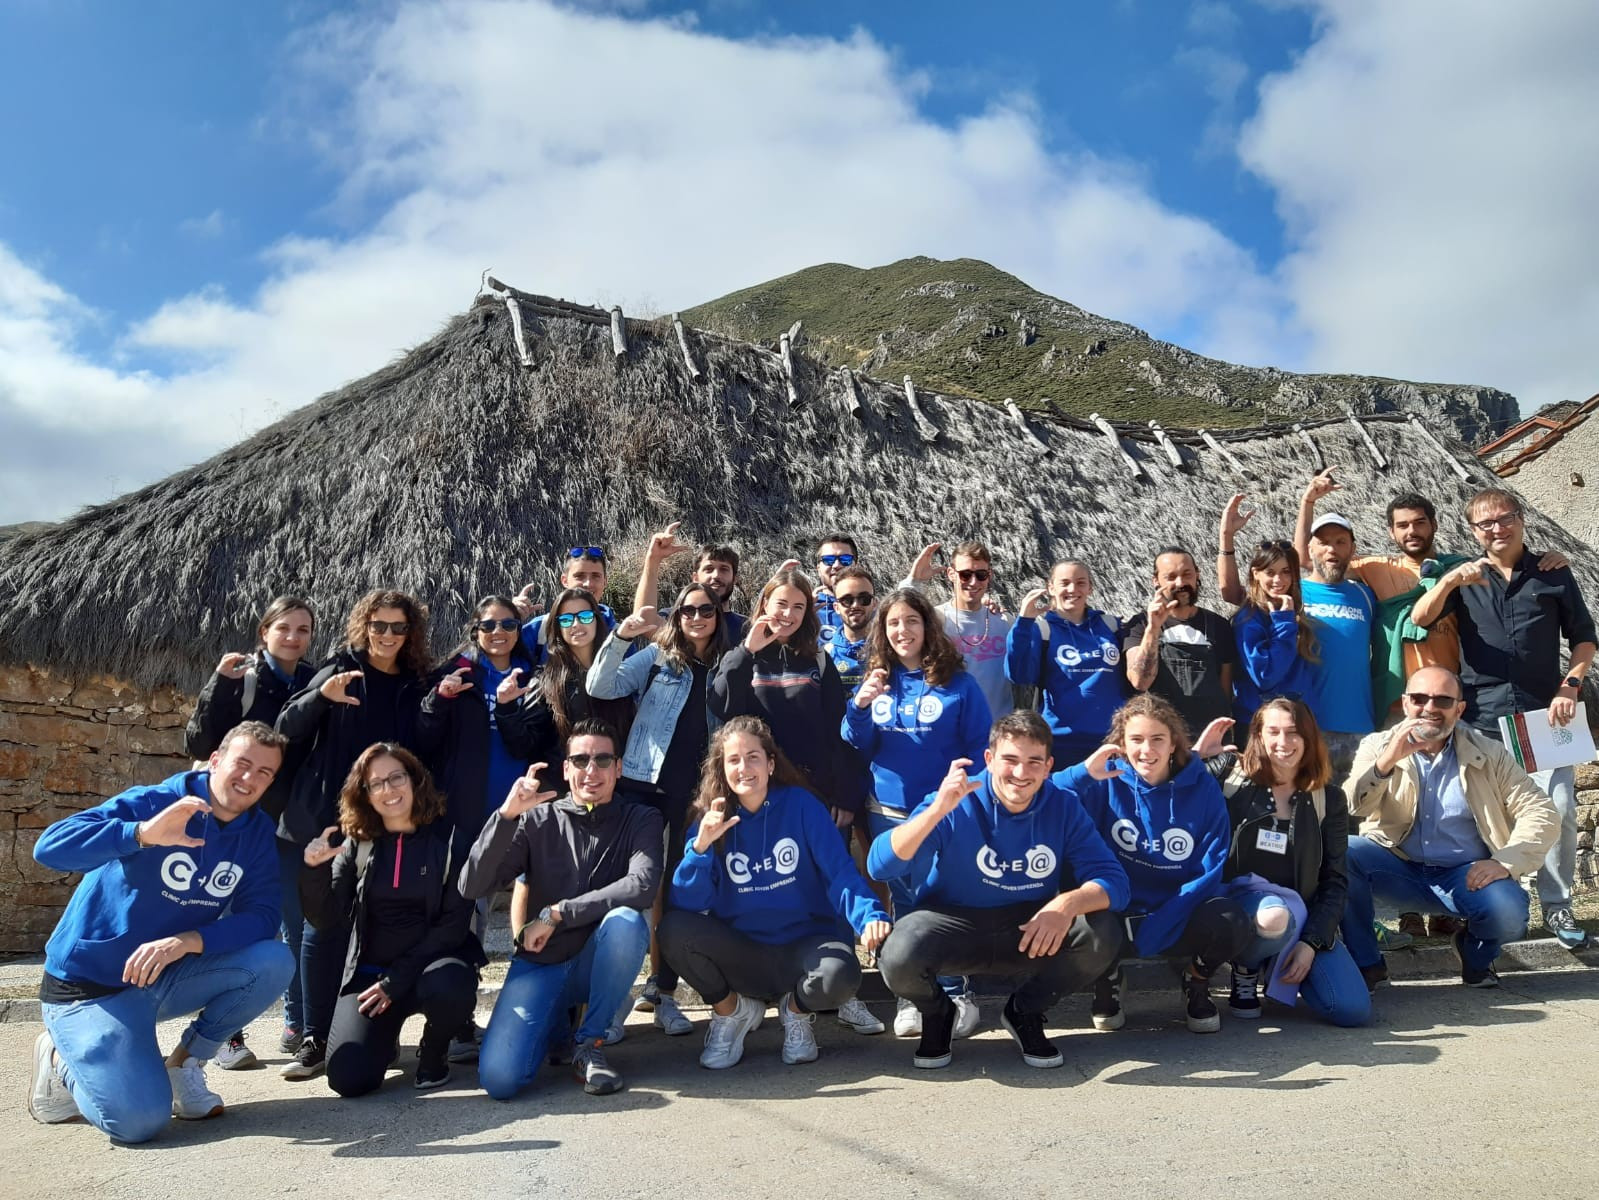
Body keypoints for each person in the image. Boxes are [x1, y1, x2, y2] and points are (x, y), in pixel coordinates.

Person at [29, 722, 296, 1143]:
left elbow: (263, 915)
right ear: (215, 761)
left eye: (264, 772)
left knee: (274, 961)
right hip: (89, 987)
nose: (250, 778)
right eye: (242, 764)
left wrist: (190, 941)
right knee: (138, 1124)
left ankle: (184, 1066)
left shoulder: (257, 832)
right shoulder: (157, 803)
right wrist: (141, 834)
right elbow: (49, 847)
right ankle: (60, 1056)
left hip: (163, 974)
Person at [869, 710, 1128, 1070]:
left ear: (1048, 765)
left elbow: (1114, 882)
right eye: (1010, 760)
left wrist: (1067, 904)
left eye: (1033, 762)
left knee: (1101, 930)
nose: (1021, 774)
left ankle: (1026, 1011)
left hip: (1026, 928)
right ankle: (939, 1013)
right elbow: (880, 867)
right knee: (897, 953)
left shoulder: (1063, 805)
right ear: (989, 759)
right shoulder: (955, 801)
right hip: (953, 925)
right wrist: (935, 812)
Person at [1409, 490, 1595, 951]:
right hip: (1483, 717)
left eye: (1504, 519)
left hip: (1546, 712)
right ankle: (1488, 906)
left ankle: (1557, 906)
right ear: (1473, 531)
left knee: (1562, 812)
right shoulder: (1467, 579)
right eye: (1485, 524)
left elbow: (1585, 640)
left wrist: (1570, 685)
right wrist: (1450, 581)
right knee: (1478, 818)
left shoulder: (1553, 572)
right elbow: (1419, 617)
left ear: (1520, 518)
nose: (1497, 529)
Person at [660, 717, 893, 1069]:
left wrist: (870, 915)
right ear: (722, 769)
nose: (744, 768)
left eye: (753, 757)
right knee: (673, 931)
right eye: (734, 760)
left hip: (802, 949)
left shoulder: (801, 806)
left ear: (770, 763)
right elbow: (689, 904)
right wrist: (701, 848)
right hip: (743, 952)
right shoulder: (709, 819)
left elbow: (840, 873)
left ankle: (795, 1012)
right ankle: (732, 1011)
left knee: (842, 975)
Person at [460, 720, 663, 1099]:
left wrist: (556, 913)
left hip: (597, 961)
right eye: (581, 759)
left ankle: (589, 1046)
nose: (592, 770)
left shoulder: (641, 819)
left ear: (619, 768)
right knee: (501, 1080)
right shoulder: (537, 819)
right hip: (541, 962)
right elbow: (471, 885)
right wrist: (504, 818)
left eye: (603, 760)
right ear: (566, 767)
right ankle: (556, 1025)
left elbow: (642, 885)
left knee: (625, 923)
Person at [276, 589, 432, 1081]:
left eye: (398, 628)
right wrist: (322, 697)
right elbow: (285, 725)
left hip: (379, 823)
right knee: (319, 929)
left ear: (410, 634)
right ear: (364, 625)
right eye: (379, 625)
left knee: (370, 928)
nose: (387, 635)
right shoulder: (340, 666)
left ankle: (372, 1034)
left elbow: (422, 746)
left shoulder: (412, 683)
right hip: (322, 820)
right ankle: (313, 1035)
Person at [1340, 667, 1559, 989]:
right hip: (1397, 866)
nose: (1429, 708)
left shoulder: (1489, 753)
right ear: (1404, 703)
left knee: (1510, 914)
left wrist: (1506, 861)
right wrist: (1386, 763)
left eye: (1442, 700)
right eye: (1419, 699)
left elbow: (1541, 810)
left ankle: (1473, 954)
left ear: (1459, 709)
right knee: (1343, 853)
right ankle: (1367, 965)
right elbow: (1353, 806)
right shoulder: (1378, 746)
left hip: (1466, 875)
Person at [587, 581, 733, 1038]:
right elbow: (602, 684)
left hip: (696, 797)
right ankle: (612, 1002)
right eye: (686, 610)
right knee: (631, 890)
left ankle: (664, 994)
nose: (695, 617)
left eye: (705, 609)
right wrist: (622, 636)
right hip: (643, 787)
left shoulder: (729, 663)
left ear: (718, 613)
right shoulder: (656, 658)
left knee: (674, 894)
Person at [843, 586, 991, 1038]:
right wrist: (862, 705)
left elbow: (980, 749)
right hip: (886, 812)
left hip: (944, 813)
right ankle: (915, 996)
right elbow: (856, 741)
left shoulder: (959, 684)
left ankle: (956, 990)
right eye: (893, 624)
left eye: (911, 621)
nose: (902, 631)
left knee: (944, 899)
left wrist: (964, 801)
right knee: (904, 902)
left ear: (928, 626)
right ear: (882, 633)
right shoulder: (877, 679)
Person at [1054, 694, 1249, 1034]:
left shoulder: (1202, 786)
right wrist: (1083, 772)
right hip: (1119, 906)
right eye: (1137, 740)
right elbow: (1041, 797)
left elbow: (1211, 863)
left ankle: (1196, 981)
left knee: (1231, 921)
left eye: (1158, 739)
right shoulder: (1105, 780)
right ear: (1122, 744)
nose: (1147, 750)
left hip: (1177, 909)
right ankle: (1108, 980)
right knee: (1087, 923)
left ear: (1174, 742)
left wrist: (1165, 918)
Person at [300, 744, 485, 1096]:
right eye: (376, 783)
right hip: (372, 978)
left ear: (415, 780)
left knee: (452, 986)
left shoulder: (451, 841)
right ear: (364, 794)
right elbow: (326, 918)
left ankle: (434, 1051)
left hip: (432, 969)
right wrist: (314, 872)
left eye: (396, 777)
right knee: (349, 1080)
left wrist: (396, 981)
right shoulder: (357, 845)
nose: (389, 789)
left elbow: (452, 927)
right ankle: (382, 1040)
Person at [182, 595, 317, 1069]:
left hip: (285, 826)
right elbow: (199, 742)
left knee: (296, 922)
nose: (294, 638)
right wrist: (221, 685)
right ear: (265, 632)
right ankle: (227, 1035)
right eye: (285, 628)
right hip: (232, 822)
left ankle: (297, 1022)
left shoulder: (311, 681)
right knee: (230, 920)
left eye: (303, 630)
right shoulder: (241, 675)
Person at [1207, 699, 1370, 1026]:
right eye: (1274, 732)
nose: (1283, 743)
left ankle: (1274, 960)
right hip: (1236, 907)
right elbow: (1162, 779)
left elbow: (1335, 881)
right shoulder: (1228, 773)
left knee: (1351, 1009)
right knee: (1273, 916)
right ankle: (1247, 966)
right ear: (1259, 735)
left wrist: (1312, 942)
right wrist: (1196, 757)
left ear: (1309, 737)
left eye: (1294, 732)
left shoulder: (1329, 798)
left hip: (1300, 917)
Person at [709, 569, 857, 830]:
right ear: (765, 603)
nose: (789, 614)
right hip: (757, 791)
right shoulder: (742, 655)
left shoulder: (818, 659)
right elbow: (721, 705)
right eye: (782, 604)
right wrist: (747, 650)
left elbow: (839, 729)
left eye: (798, 607)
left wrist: (846, 794)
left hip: (814, 791)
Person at [417, 596, 537, 856]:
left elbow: (528, 745)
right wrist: (441, 699)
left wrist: (507, 708)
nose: (498, 632)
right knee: (458, 888)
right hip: (461, 807)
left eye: (507, 624)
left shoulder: (532, 677)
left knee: (496, 890)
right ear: (475, 631)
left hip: (515, 803)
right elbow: (425, 738)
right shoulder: (455, 673)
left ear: (519, 629)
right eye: (488, 625)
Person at [498, 587, 635, 786]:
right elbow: (522, 746)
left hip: (614, 795)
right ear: (558, 628)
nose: (576, 624)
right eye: (566, 619)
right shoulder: (546, 679)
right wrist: (506, 708)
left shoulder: (622, 673)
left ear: (597, 620)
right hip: (563, 798)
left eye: (585, 616)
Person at [1006, 559, 1124, 765]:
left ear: (1090, 587)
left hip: (1111, 740)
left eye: (1080, 582)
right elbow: (1018, 674)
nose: (1073, 589)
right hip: (1060, 742)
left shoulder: (1110, 626)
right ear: (1050, 587)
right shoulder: (1041, 629)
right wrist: (1023, 622)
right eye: (1065, 583)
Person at [1122, 547, 1236, 738]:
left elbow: (1226, 694)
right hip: (1161, 741)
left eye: (1186, 574)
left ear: (1197, 574)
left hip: (1210, 739)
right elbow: (1140, 681)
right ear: (1156, 581)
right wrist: (1153, 629)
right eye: (1171, 577)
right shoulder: (1139, 625)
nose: (1180, 582)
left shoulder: (1219, 625)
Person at [1296, 512, 1377, 777]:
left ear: (1353, 549)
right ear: (1310, 548)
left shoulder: (1366, 596)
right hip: (1309, 729)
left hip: (1361, 729)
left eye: (1341, 541)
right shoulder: (1293, 593)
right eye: (1324, 542)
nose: (1332, 549)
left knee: (1360, 814)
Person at [901, 540, 1015, 719]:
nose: (973, 581)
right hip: (952, 733)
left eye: (981, 574)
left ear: (989, 575)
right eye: (965, 574)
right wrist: (914, 582)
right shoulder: (936, 619)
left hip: (998, 734)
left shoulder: (1005, 621)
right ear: (951, 574)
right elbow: (899, 622)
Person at [1225, 541, 1316, 730]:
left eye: (1286, 571)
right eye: (1270, 572)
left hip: (1296, 721)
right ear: (1255, 574)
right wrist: (1283, 622)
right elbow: (1265, 675)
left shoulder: (1295, 612)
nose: (1278, 580)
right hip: (1260, 726)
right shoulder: (1249, 618)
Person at [631, 518, 748, 641]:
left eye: (724, 569)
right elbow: (644, 622)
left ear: (735, 579)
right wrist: (653, 559)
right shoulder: (680, 619)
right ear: (695, 578)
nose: (716, 575)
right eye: (709, 569)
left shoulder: (747, 628)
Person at [517, 547, 616, 664]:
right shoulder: (540, 630)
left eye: (595, 576)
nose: (588, 583)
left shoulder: (619, 635)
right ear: (564, 580)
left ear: (605, 582)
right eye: (579, 576)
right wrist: (510, 620)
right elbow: (498, 665)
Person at [824, 564, 878, 693]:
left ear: (874, 603)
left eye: (864, 599)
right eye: (847, 600)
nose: (855, 605)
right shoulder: (824, 656)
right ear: (836, 607)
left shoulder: (887, 650)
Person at [813, 533, 860, 649]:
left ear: (856, 565)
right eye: (828, 560)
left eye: (845, 560)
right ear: (818, 567)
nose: (837, 565)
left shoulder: (869, 607)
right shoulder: (803, 608)